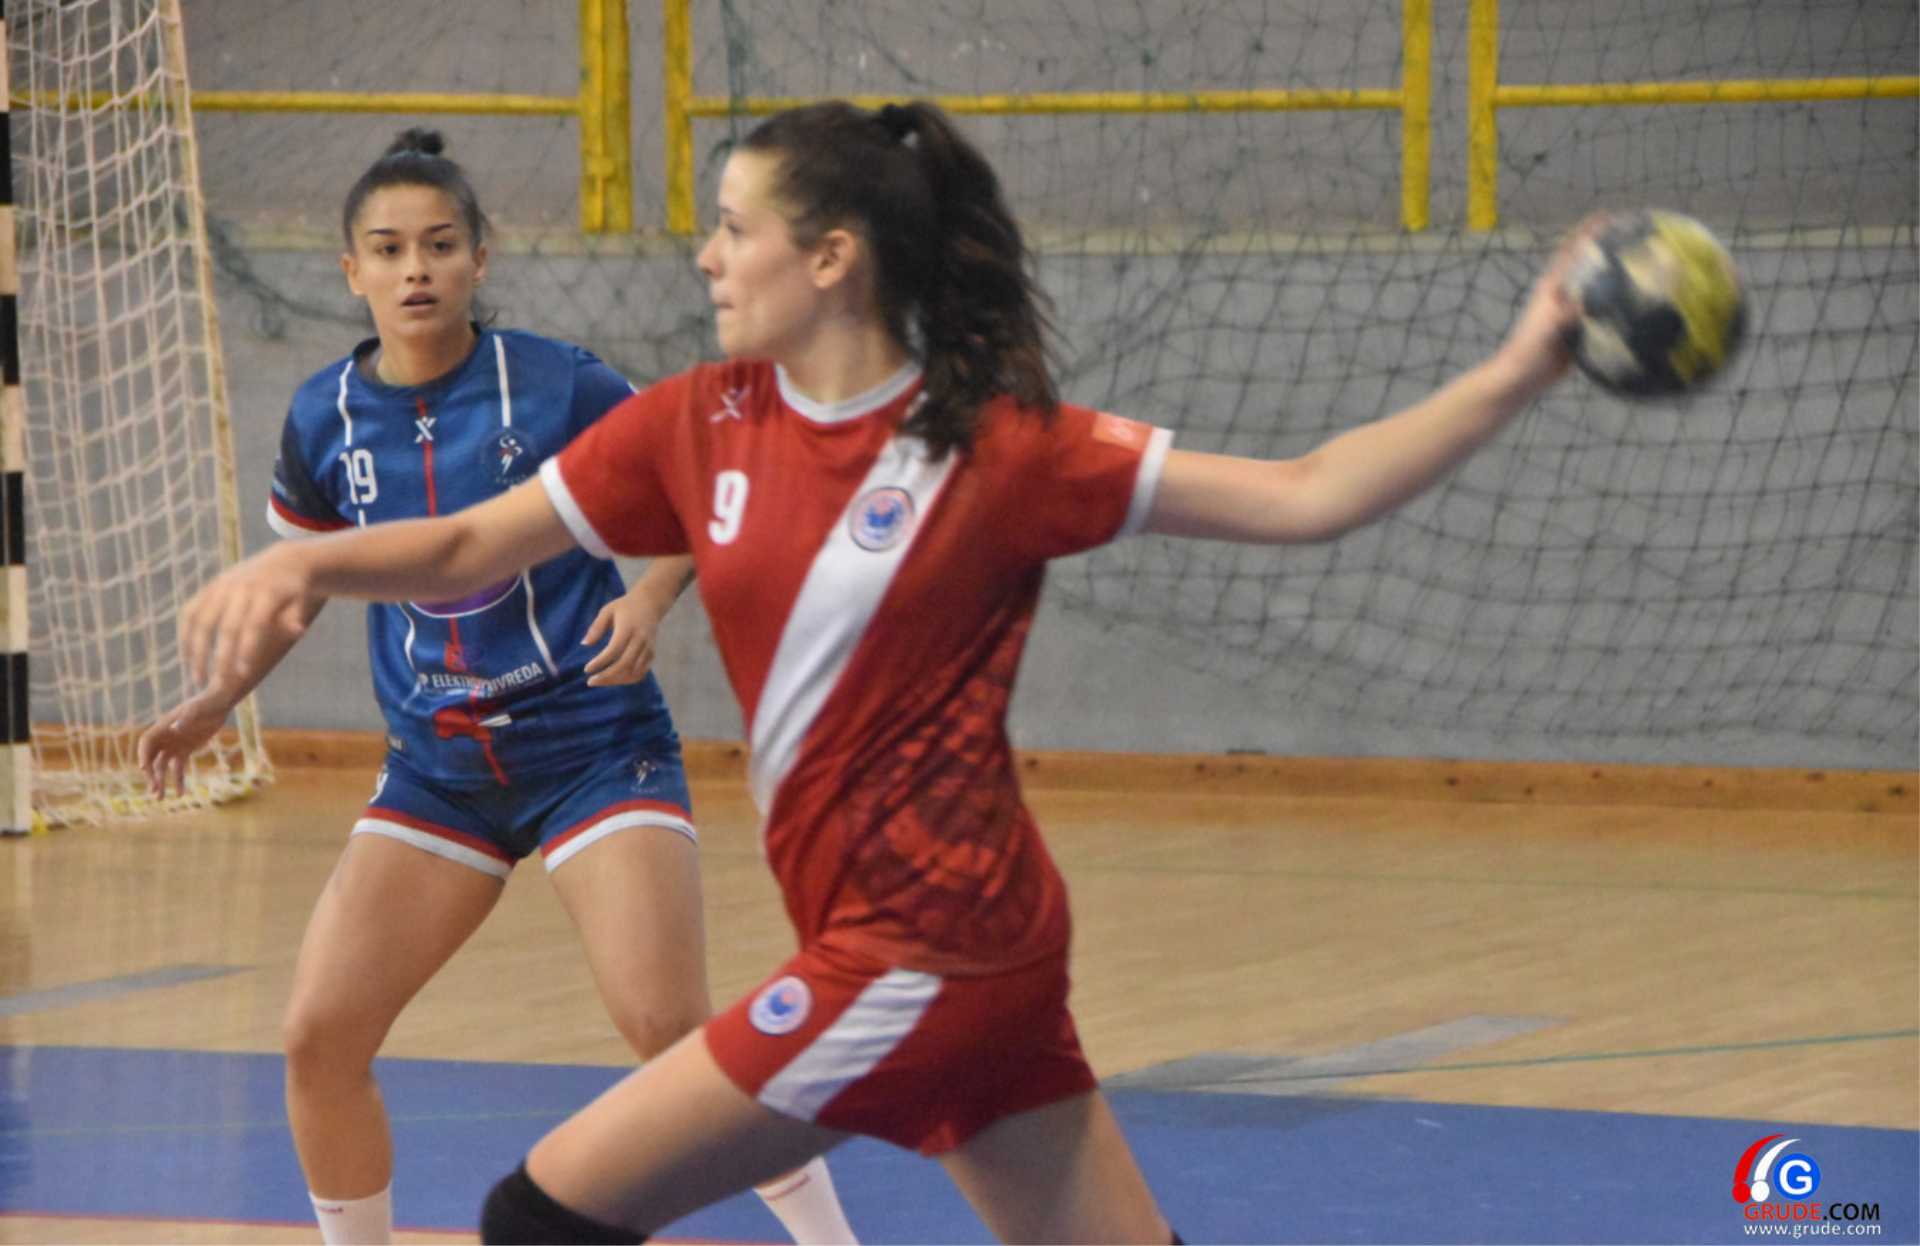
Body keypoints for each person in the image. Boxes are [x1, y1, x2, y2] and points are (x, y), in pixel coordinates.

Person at [174, 102, 1595, 1246]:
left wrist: (1527, 364)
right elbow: (469, 542)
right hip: (962, 951)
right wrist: (304, 564)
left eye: (736, 229)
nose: (707, 258)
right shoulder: (697, 424)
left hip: (926, 952)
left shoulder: (997, 446)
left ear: (832, 258)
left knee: (538, 1215)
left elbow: (1307, 490)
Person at [137, 129, 859, 1246]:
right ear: (352, 270)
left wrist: (651, 593)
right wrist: (218, 698)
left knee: (668, 1026)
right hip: (438, 770)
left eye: (439, 244)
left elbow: (705, 478)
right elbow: (302, 587)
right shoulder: (323, 417)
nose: (415, 268)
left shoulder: (558, 381)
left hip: (591, 747)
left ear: (481, 257)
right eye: (388, 249)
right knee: (318, 1036)